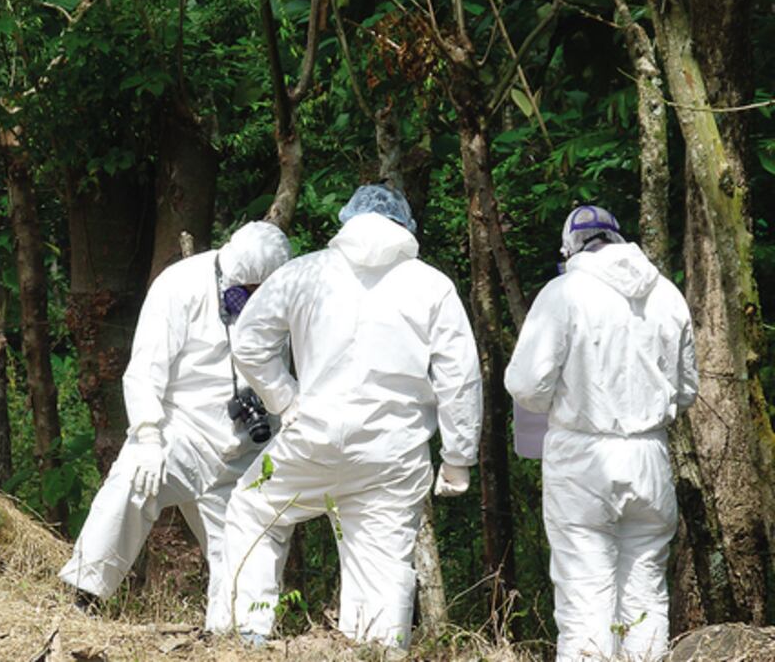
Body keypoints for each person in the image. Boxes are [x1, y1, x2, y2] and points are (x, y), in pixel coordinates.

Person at [221, 184, 482, 651]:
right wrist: (458, 458)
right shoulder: (431, 285)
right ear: (405, 227)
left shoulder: (306, 272)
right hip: (394, 454)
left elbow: (248, 343)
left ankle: (248, 636)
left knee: (254, 509)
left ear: (347, 222)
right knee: (381, 563)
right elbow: (459, 376)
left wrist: (285, 400)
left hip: (313, 438)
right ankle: (378, 651)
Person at [59, 221, 292, 627]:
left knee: (245, 547)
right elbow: (146, 368)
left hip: (242, 449)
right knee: (129, 486)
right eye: (247, 291)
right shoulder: (180, 284)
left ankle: (235, 635)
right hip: (179, 432)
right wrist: (148, 436)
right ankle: (83, 597)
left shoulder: (281, 301)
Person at [505, 205, 698, 662]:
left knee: (585, 591)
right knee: (646, 591)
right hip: (650, 455)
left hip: (584, 457)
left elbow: (527, 385)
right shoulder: (667, 294)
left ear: (570, 248)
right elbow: (687, 390)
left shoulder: (564, 292)